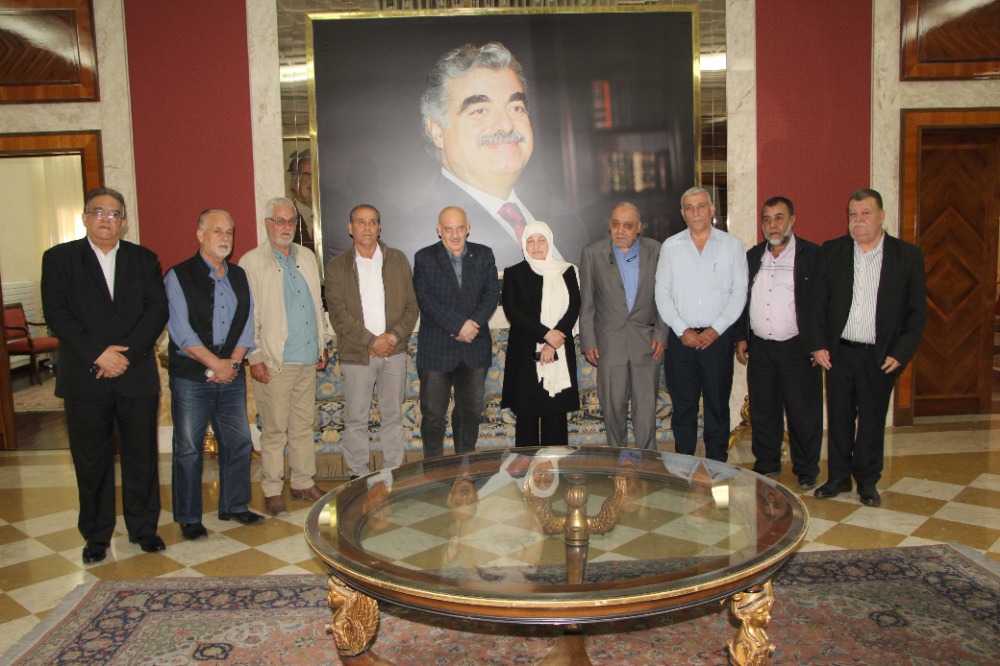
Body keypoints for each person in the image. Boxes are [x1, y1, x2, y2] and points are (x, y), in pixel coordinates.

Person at [41, 187, 169, 564]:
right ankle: (96, 536)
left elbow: (156, 311)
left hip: (135, 375)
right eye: (98, 212)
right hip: (85, 377)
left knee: (141, 457)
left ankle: (143, 529)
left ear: (123, 222)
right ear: (85, 218)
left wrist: (124, 356)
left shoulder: (144, 259)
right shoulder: (59, 259)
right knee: (91, 461)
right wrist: (99, 354)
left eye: (114, 214)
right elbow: (57, 313)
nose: (105, 219)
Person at [384, 42, 589, 267]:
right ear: (438, 131)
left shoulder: (565, 217)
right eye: (480, 110)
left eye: (516, 108)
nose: (505, 125)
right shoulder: (414, 236)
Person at [811, 189, 926, 507]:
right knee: (839, 418)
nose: (858, 220)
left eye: (865, 213)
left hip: (880, 355)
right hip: (839, 353)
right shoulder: (832, 251)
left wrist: (901, 352)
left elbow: (916, 313)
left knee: (872, 421)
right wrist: (818, 344)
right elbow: (816, 303)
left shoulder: (907, 256)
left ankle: (867, 481)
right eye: (852, 214)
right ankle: (838, 477)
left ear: (881, 216)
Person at [165, 209, 264, 540]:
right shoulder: (178, 275)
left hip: (231, 374)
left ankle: (234, 505)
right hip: (192, 377)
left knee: (239, 442)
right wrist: (216, 364)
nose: (225, 237)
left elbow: (247, 323)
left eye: (230, 232)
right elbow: (181, 331)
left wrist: (232, 363)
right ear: (200, 234)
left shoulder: (239, 275)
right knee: (189, 448)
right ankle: (189, 517)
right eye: (218, 231)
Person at [240, 197, 331, 515]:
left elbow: (317, 305)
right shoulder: (251, 262)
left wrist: (322, 344)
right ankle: (271, 488)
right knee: (275, 429)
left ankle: (303, 482)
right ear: (267, 224)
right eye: (279, 221)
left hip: (307, 358)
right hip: (275, 361)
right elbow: (247, 315)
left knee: (303, 425)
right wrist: (254, 357)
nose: (286, 227)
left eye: (291, 221)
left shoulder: (307, 256)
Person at [735, 197, 825, 490]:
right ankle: (767, 462)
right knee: (764, 410)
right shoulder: (753, 257)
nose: (772, 225)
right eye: (767, 219)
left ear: (792, 220)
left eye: (779, 217)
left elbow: (822, 304)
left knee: (803, 412)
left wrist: (819, 344)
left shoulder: (812, 255)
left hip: (797, 347)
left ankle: (806, 468)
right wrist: (741, 336)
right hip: (760, 347)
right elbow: (742, 299)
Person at [325, 204, 418, 479]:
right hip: (357, 354)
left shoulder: (397, 259)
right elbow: (338, 315)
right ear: (350, 228)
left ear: (379, 227)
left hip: (394, 352)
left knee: (393, 416)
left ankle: (393, 472)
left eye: (373, 222)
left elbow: (411, 306)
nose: (367, 227)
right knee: (356, 419)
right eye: (361, 222)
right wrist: (371, 341)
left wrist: (392, 337)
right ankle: (357, 474)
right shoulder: (337, 266)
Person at [655, 186, 747, 462]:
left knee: (717, 406)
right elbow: (662, 294)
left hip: (717, 340)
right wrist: (681, 329)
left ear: (712, 210)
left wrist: (716, 329)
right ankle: (684, 465)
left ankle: (718, 466)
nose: (696, 212)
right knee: (683, 406)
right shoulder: (670, 247)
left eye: (701, 206)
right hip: (681, 341)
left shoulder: (732, 246)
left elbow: (739, 293)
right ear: (682, 213)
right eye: (689, 208)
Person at [413, 206, 501, 459]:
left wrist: (472, 324)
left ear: (468, 227)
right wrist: (458, 326)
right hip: (436, 349)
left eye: (460, 228)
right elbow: (425, 300)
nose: (454, 234)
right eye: (448, 229)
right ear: (438, 230)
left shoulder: (484, 254)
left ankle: (465, 466)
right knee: (433, 416)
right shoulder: (424, 257)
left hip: (474, 348)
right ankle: (434, 469)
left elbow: (492, 294)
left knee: (470, 413)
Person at [579, 202, 667, 450]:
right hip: (609, 344)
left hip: (647, 343)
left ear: (638, 228)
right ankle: (616, 460)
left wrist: (661, 333)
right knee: (613, 406)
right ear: (610, 225)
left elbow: (665, 297)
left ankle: (647, 462)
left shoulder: (656, 250)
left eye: (627, 226)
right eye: (616, 224)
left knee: (645, 409)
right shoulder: (592, 253)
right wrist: (589, 341)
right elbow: (587, 303)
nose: (620, 230)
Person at [501, 222, 581, 447]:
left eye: (541, 240)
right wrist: (546, 335)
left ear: (549, 242)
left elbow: (574, 307)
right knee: (526, 418)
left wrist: (553, 342)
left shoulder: (566, 270)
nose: (536, 246)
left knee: (555, 416)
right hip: (525, 355)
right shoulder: (514, 273)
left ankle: (554, 468)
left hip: (559, 351)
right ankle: (527, 470)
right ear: (524, 245)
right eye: (530, 241)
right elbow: (513, 311)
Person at [287, 149, 316, 252]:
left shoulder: (333, 216)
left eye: (317, 174)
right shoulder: (285, 218)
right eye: (307, 174)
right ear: (294, 181)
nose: (313, 180)